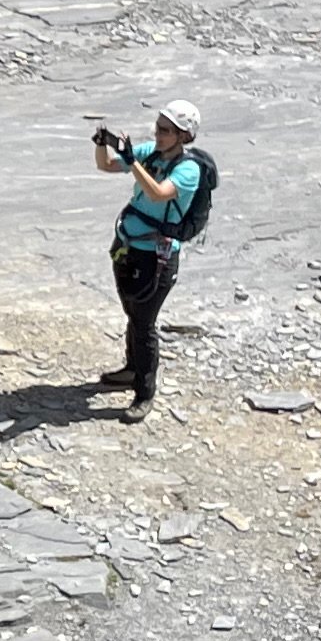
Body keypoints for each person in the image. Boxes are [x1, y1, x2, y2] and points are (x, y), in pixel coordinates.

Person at [93, 98, 209, 421]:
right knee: (133, 312)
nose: (157, 134)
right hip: (130, 247)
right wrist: (104, 145)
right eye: (158, 127)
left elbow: (159, 192)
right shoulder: (150, 154)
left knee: (144, 321)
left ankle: (144, 393)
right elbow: (105, 166)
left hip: (157, 257)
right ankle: (132, 369)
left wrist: (131, 161)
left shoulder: (188, 170)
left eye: (165, 130)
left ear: (184, 136)